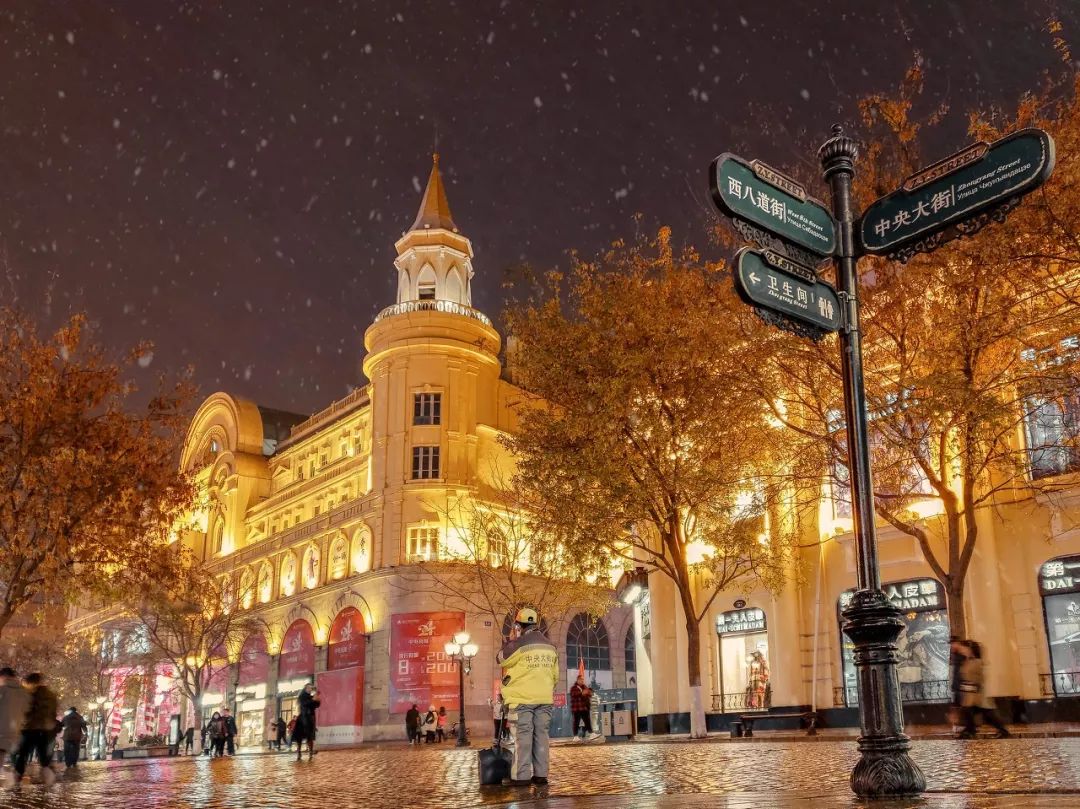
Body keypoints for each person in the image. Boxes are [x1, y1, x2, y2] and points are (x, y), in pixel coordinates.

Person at [496, 607, 558, 787]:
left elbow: (501, 659)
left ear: (519, 625)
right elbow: (555, 677)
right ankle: (541, 775)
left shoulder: (519, 644)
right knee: (541, 737)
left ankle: (521, 777)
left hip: (522, 699)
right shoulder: (551, 646)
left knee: (523, 738)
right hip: (544, 699)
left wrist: (512, 640)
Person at [956, 640, 1010, 739]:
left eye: (964, 648)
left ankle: (1002, 730)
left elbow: (980, 678)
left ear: (970, 649)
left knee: (987, 714)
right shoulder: (967, 661)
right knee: (970, 712)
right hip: (970, 694)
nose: (961, 650)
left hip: (978, 694)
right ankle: (970, 731)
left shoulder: (977, 662)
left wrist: (971, 686)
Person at [12, 672, 59, 785]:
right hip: (44, 729)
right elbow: (53, 712)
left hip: (30, 728)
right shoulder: (51, 695)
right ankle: (49, 777)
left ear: (31, 683)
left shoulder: (29, 694)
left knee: (23, 753)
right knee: (43, 756)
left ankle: (17, 776)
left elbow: (24, 711)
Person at [0, 668, 30, 785]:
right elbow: (26, 712)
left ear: (3, 677)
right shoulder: (24, 693)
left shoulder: (2, 690)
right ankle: (12, 778)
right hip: (13, 733)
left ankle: (10, 778)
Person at [292, 683, 320, 761]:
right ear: (305, 688)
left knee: (309, 736)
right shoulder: (302, 696)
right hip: (303, 718)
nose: (310, 689)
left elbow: (316, 705)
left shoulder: (310, 696)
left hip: (310, 717)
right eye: (309, 688)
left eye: (311, 688)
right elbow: (305, 703)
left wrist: (317, 700)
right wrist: (313, 700)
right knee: (299, 737)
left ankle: (310, 752)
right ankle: (299, 752)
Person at [569, 675, 596, 741]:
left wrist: (588, 692)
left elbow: (589, 694)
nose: (582, 681)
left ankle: (591, 733)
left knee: (587, 721)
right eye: (581, 679)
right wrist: (582, 693)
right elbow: (574, 694)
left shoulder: (585, 687)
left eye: (583, 679)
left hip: (584, 708)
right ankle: (575, 736)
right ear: (577, 680)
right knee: (576, 722)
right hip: (576, 708)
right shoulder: (573, 688)